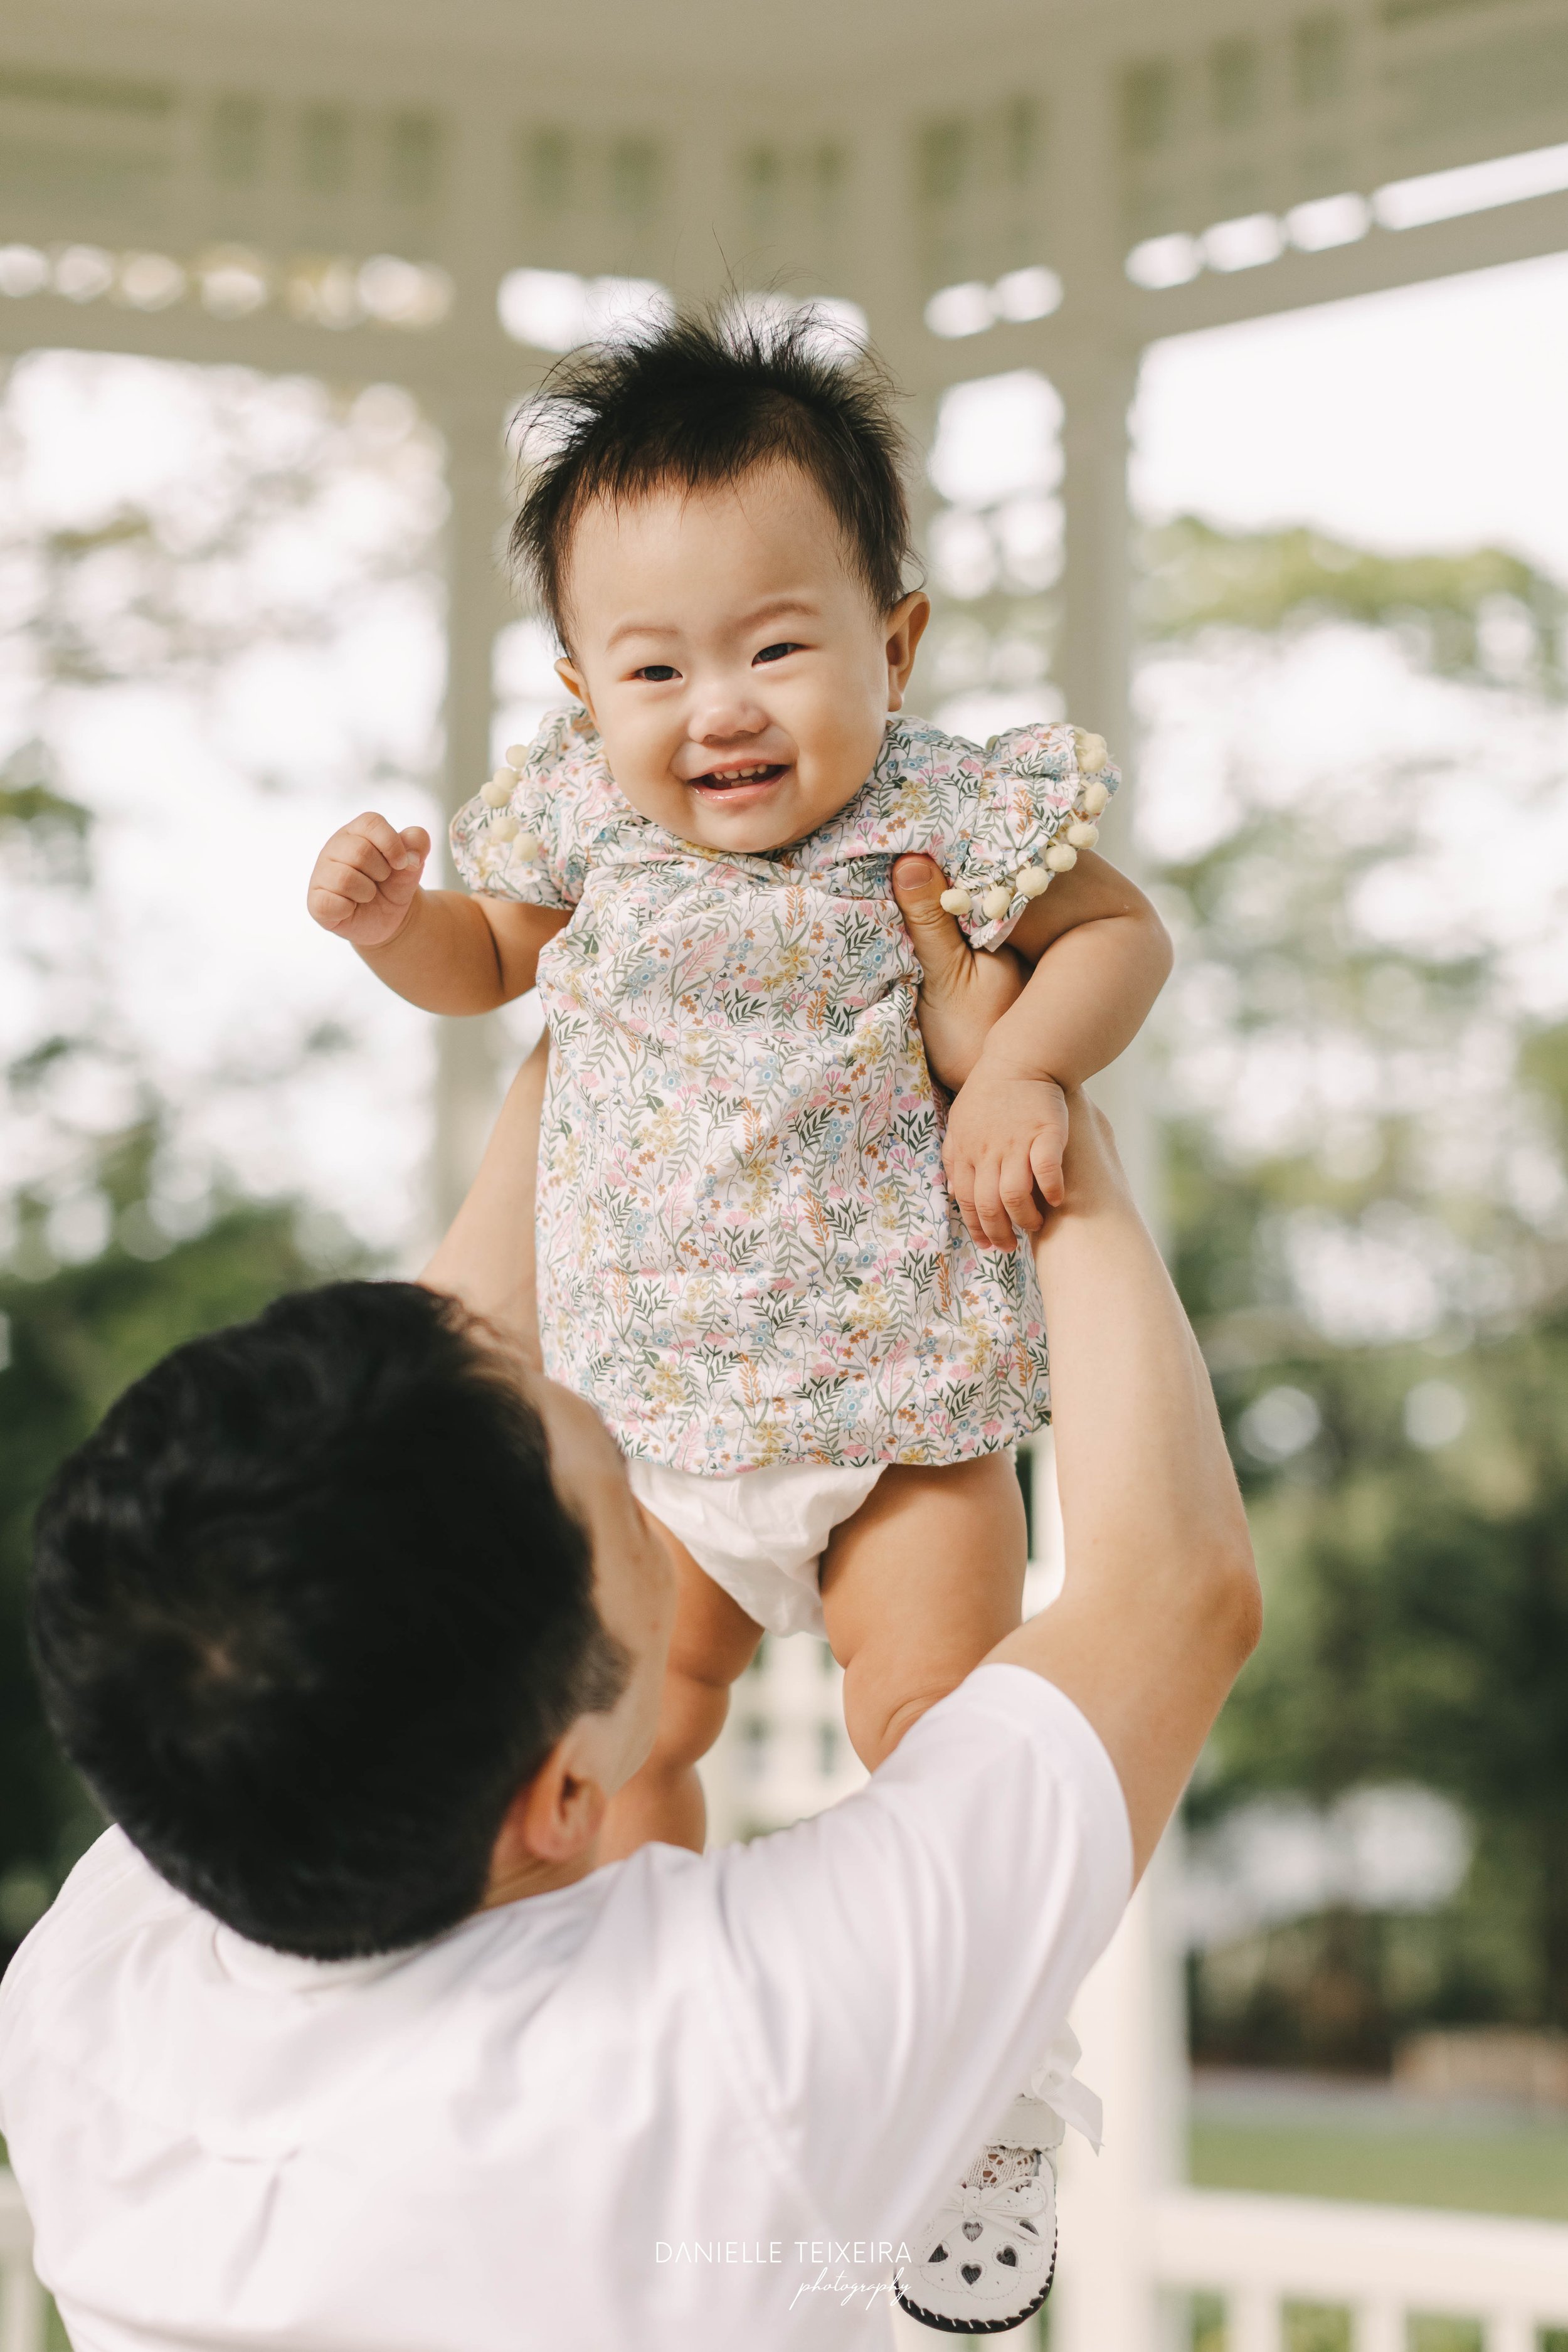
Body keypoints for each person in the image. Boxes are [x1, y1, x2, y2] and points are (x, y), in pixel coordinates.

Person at [304, 314, 1172, 2321]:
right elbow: (482, 963)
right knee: (636, 1726)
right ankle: (646, 1991)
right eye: (654, 668)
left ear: (900, 637)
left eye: (777, 648)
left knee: (944, 1729)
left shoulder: (943, 816)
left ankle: (978, 2083)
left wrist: (1029, 1064)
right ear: (577, 692)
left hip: (896, 1409)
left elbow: (1120, 933)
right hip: (654, 1427)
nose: (721, 710)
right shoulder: (581, 837)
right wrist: (387, 927)